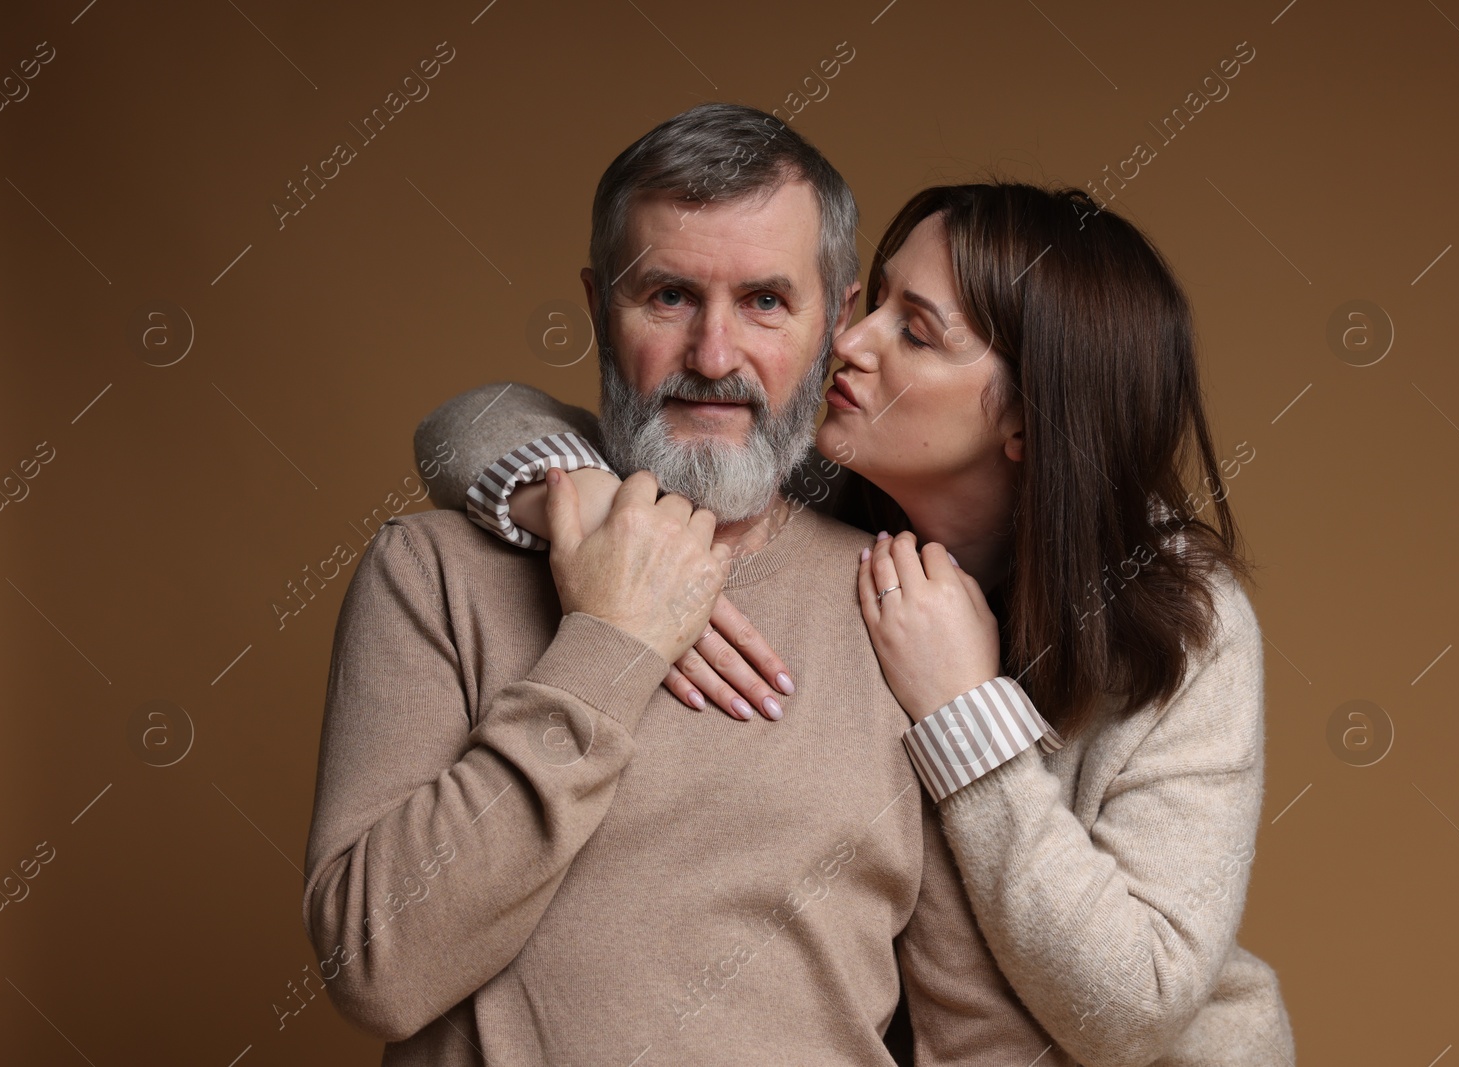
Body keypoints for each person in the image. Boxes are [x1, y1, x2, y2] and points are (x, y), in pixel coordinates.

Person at [427, 181, 1299, 1063]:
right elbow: (470, 420)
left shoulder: (1184, 618)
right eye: (874, 299)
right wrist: (594, 514)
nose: (847, 342)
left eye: (914, 330)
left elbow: (1137, 1002)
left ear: (1031, 418)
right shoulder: (808, 489)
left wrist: (965, 714)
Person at [303, 103, 1064, 1065]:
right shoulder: (430, 574)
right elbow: (375, 966)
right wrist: (610, 644)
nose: (713, 357)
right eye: (667, 296)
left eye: (765, 302)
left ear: (836, 314)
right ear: (595, 306)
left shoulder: (907, 611)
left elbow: (984, 1041)